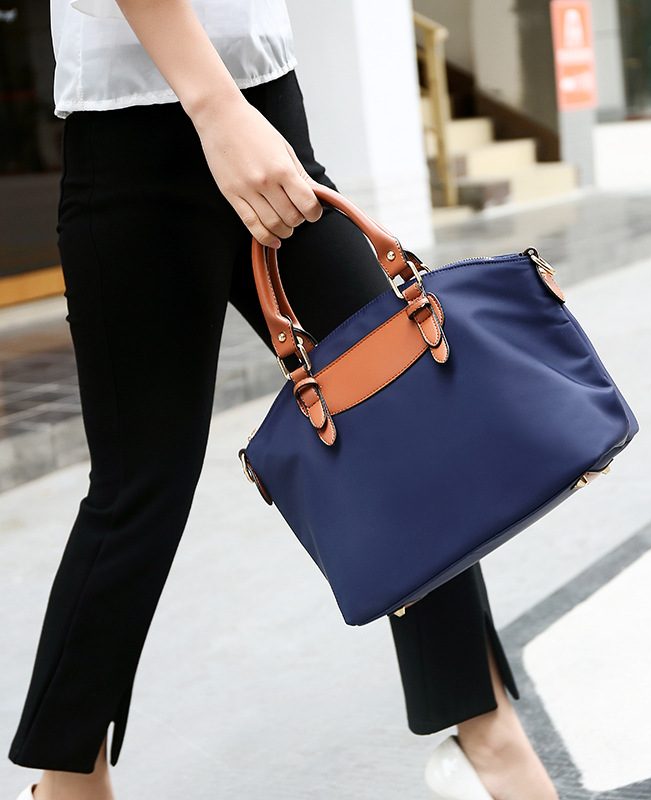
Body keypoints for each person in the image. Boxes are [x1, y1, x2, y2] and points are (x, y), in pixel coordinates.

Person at [9, 2, 559, 799]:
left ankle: (489, 739)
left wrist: (240, 112)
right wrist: (216, 109)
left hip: (267, 111)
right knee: (141, 487)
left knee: (405, 415)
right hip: (138, 133)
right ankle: (68, 786)